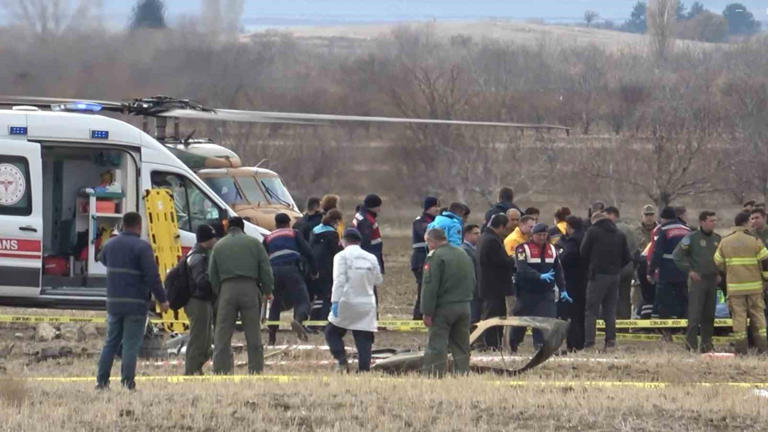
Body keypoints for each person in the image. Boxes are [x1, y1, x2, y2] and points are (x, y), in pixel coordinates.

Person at [96, 212, 169, 390]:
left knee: (111, 342)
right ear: (139, 225)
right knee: (130, 344)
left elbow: (102, 259)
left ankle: (102, 382)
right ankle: (128, 383)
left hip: (113, 302)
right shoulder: (142, 248)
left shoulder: (110, 245)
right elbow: (153, 276)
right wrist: (163, 299)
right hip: (135, 304)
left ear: (123, 225)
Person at [208, 217, 274, 374]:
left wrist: (220, 291)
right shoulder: (254, 243)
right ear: (242, 228)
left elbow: (212, 274)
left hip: (227, 289)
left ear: (228, 228)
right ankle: (256, 369)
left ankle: (221, 370)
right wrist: (268, 290)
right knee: (253, 333)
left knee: (222, 333)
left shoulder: (219, 245)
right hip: (250, 288)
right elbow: (265, 269)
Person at [325, 228, 383, 373]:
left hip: (346, 301)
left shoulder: (341, 256)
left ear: (344, 241)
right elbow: (378, 280)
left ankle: (342, 361)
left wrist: (335, 301)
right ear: (359, 241)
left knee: (332, 332)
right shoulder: (371, 257)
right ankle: (364, 370)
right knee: (364, 339)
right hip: (367, 304)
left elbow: (339, 280)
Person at [421, 228, 476, 376]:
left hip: (444, 308)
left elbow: (429, 287)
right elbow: (473, 279)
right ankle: (462, 374)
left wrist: (427, 312)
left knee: (437, 344)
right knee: (461, 345)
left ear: (432, 241)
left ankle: (434, 375)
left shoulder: (435, 257)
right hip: (465, 306)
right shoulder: (462, 253)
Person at [714, 212, 768, 354]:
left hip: (735, 288)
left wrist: (729, 269)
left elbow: (717, 261)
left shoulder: (725, 241)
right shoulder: (755, 240)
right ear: (745, 223)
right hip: (755, 287)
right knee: (759, 318)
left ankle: (741, 350)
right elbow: (765, 262)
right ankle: (763, 349)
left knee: (739, 318)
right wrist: (766, 279)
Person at [510, 223, 569, 351]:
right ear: (533, 235)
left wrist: (563, 289)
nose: (542, 237)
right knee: (521, 321)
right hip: (526, 291)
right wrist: (539, 276)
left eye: (544, 235)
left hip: (546, 292)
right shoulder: (522, 248)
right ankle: (514, 344)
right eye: (539, 235)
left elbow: (558, 271)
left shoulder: (552, 250)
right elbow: (522, 268)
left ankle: (542, 346)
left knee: (546, 319)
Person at [264, 213, 318, 344]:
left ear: (276, 224)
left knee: (275, 304)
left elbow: (263, 257)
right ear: (289, 223)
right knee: (302, 300)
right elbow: (308, 252)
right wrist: (314, 271)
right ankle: (298, 321)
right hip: (292, 270)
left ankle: (271, 338)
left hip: (274, 272)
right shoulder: (294, 233)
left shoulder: (268, 237)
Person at [580, 212, 631, 350]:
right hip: (614, 276)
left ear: (594, 221)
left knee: (591, 311)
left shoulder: (592, 232)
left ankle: (590, 343)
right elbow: (627, 257)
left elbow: (583, 252)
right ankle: (610, 342)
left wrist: (591, 266)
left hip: (597, 276)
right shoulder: (619, 234)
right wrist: (616, 267)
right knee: (610, 310)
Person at [672, 211, 721, 352]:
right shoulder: (692, 238)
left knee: (709, 315)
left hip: (712, 280)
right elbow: (677, 256)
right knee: (694, 315)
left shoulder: (717, 239)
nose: (714, 223)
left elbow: (721, 258)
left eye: (714, 221)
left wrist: (719, 273)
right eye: (711, 221)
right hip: (698, 280)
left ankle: (706, 345)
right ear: (702, 222)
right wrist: (690, 270)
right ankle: (690, 345)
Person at [477, 213, 516, 349]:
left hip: (488, 285)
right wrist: (512, 260)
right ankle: (491, 344)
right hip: (494, 286)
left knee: (494, 314)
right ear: (500, 226)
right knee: (493, 317)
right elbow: (500, 261)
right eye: (505, 228)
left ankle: (494, 343)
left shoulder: (484, 237)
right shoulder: (492, 240)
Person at [184, 224, 218, 375]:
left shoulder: (201, 254)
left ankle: (197, 367)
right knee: (198, 338)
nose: (215, 240)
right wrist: (214, 285)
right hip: (197, 301)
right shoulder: (198, 257)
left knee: (206, 339)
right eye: (213, 237)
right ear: (207, 239)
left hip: (203, 301)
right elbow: (201, 281)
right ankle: (190, 371)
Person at [649, 206, 692, 319]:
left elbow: (657, 253)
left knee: (665, 301)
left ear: (664, 218)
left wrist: (651, 271)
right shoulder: (687, 230)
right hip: (684, 270)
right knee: (683, 300)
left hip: (667, 271)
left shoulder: (664, 231)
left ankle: (667, 330)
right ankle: (684, 327)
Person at [308, 209, 344, 325]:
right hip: (327, 268)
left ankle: (313, 322)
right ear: (336, 221)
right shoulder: (332, 234)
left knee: (318, 296)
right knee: (327, 295)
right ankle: (324, 322)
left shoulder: (315, 231)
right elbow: (337, 252)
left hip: (313, 267)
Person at [558, 215, 588, 351]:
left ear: (569, 227)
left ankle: (573, 344)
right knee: (581, 314)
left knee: (573, 314)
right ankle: (581, 342)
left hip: (572, 281)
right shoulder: (586, 236)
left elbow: (566, 258)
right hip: (586, 279)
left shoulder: (573, 240)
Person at [604, 206, 637, 320]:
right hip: (628, 267)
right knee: (625, 298)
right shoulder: (630, 229)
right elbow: (635, 249)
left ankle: (613, 324)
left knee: (611, 297)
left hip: (614, 268)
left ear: (612, 215)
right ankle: (625, 324)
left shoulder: (611, 229)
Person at [411, 197, 440, 320]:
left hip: (430, 258)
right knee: (423, 288)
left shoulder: (437, 221)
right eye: (435, 206)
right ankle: (418, 317)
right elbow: (425, 232)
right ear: (428, 207)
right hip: (420, 259)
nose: (437, 209)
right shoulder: (419, 221)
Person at [634, 205, 657, 318]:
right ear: (641, 216)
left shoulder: (660, 231)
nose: (649, 217)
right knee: (638, 300)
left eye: (651, 215)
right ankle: (639, 325)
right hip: (640, 272)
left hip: (656, 271)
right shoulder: (635, 232)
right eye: (646, 215)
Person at [353, 194, 384, 274]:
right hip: (370, 253)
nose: (379, 209)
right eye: (378, 206)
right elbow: (365, 241)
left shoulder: (361, 215)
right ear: (372, 206)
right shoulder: (367, 220)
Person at [461, 224, 481, 324]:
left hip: (478, 286)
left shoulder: (476, 249)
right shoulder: (464, 250)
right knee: (473, 314)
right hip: (471, 287)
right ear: (467, 235)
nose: (479, 236)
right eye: (476, 233)